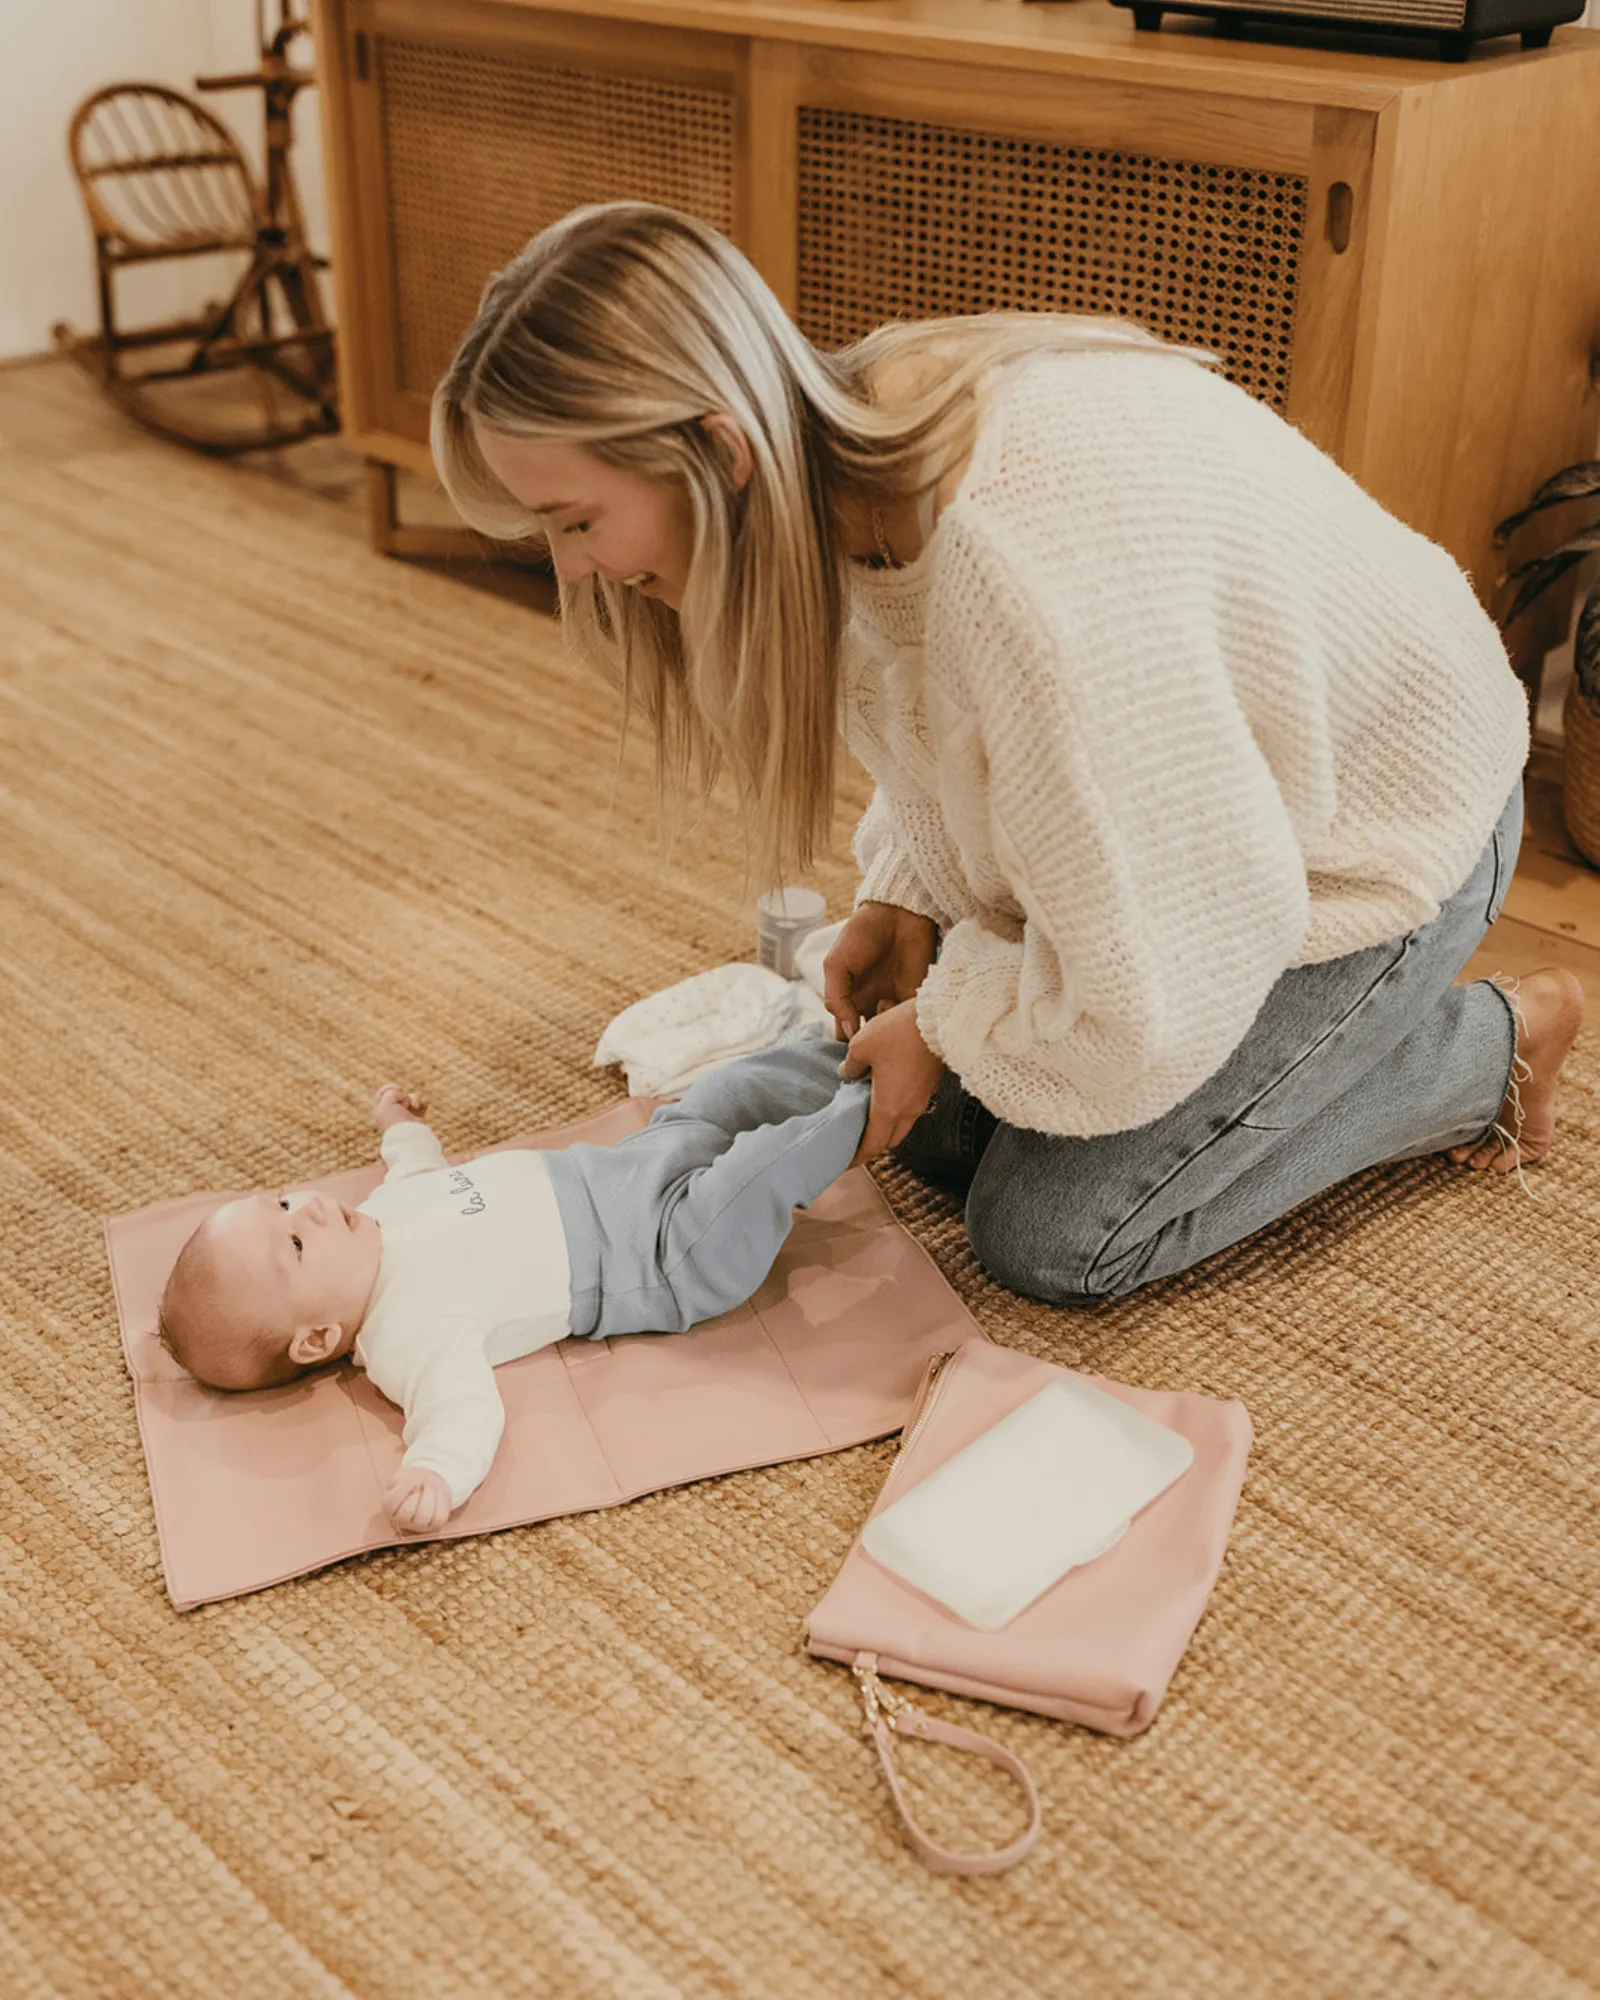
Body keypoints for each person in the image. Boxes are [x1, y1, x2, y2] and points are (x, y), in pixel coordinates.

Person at [430, 201, 1584, 1308]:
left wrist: (946, 1021)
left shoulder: (1028, 581)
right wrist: (909, 890)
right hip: (1208, 821)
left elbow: (1164, 975)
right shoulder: (838, 452)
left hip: (1388, 835)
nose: (571, 569)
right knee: (936, 1130)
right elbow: (946, 724)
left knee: (1054, 1234)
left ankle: (1487, 1048)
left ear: (718, 452)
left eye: (576, 521)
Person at [157, 1036, 869, 1529]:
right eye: (294, 1240)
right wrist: (434, 1472)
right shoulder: (407, 1333)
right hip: (666, 1251)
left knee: (732, 1090)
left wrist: (396, 1125)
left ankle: (850, 1047)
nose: (307, 1205)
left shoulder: (380, 1215)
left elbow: (417, 1170)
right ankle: (873, 1100)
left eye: (282, 1201)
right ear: (316, 1337)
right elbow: (460, 1413)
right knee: (761, 1169)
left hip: (644, 1157)